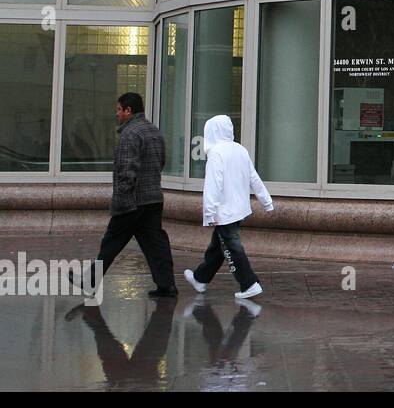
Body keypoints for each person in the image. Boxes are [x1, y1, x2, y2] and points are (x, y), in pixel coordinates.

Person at [86, 93, 177, 298]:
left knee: (111, 241)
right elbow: (161, 161)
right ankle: (167, 284)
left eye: (119, 109)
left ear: (129, 110)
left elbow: (127, 170)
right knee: (155, 243)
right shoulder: (154, 131)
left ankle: (90, 280)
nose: (116, 114)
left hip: (133, 200)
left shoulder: (129, 134)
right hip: (153, 197)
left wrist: (121, 198)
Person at [183, 115, 275, 300]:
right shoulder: (240, 149)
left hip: (223, 211)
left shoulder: (216, 153)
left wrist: (209, 213)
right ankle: (201, 278)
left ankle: (249, 283)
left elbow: (213, 185)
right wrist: (267, 201)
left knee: (232, 246)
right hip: (239, 209)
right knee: (218, 245)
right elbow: (253, 178)